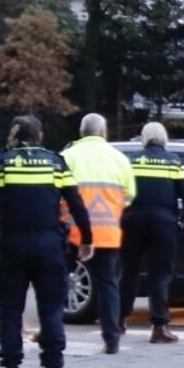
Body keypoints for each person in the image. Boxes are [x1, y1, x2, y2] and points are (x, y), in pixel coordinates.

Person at [0, 115, 92, 368]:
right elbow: (76, 202)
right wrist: (87, 238)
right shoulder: (55, 162)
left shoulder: (2, 162)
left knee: (10, 309)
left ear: (14, 134)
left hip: (11, 244)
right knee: (51, 309)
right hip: (48, 246)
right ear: (40, 135)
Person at [62, 114, 136, 354]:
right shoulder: (119, 159)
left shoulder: (68, 156)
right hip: (107, 233)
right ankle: (111, 338)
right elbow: (130, 195)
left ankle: (50, 329)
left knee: (58, 281)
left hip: (71, 231)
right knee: (108, 286)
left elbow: (55, 191)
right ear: (104, 133)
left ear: (81, 132)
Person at [121, 122, 184, 345]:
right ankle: (159, 326)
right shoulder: (175, 162)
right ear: (164, 138)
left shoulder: (131, 160)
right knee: (160, 275)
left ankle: (119, 320)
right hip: (164, 222)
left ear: (144, 138)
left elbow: (121, 191)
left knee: (129, 272)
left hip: (133, 220)